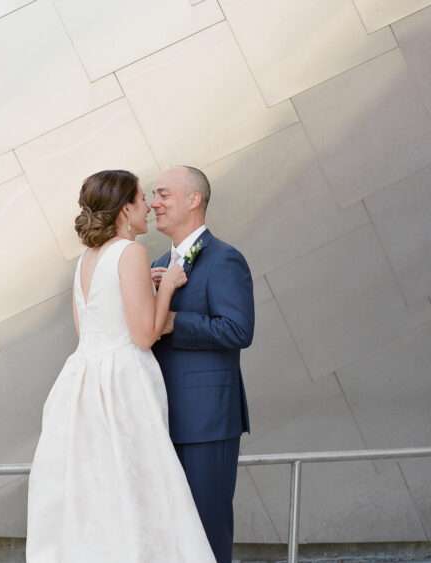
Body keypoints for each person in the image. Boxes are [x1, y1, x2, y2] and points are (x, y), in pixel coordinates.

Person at [26, 169, 216, 562]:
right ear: (124, 209)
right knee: (141, 483)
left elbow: (89, 328)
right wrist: (165, 287)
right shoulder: (131, 252)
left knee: (96, 491)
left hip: (81, 383)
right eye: (141, 198)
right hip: (124, 383)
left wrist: (142, 285)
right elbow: (145, 334)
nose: (148, 205)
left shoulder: (84, 260)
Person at [150, 166, 255, 563]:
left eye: (163, 194)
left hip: (208, 420)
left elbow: (238, 329)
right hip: (160, 418)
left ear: (194, 200)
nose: (154, 203)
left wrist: (173, 320)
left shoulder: (226, 259)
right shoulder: (159, 263)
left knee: (206, 530)